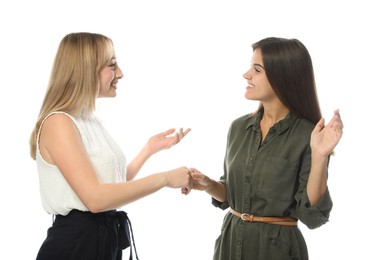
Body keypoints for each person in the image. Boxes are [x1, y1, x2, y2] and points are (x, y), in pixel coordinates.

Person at [29, 32, 192, 260]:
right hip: (75, 248)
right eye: (112, 65)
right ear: (85, 69)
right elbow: (95, 199)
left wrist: (149, 149)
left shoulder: (88, 120)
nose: (120, 74)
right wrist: (165, 179)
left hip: (102, 241)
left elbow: (112, 183)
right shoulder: (59, 122)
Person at [185, 37, 343, 260]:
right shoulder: (238, 128)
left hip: (276, 251)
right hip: (230, 246)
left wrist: (319, 155)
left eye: (256, 69)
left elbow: (313, 217)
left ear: (282, 76)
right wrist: (208, 185)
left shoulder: (310, 136)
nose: (246, 74)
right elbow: (234, 196)